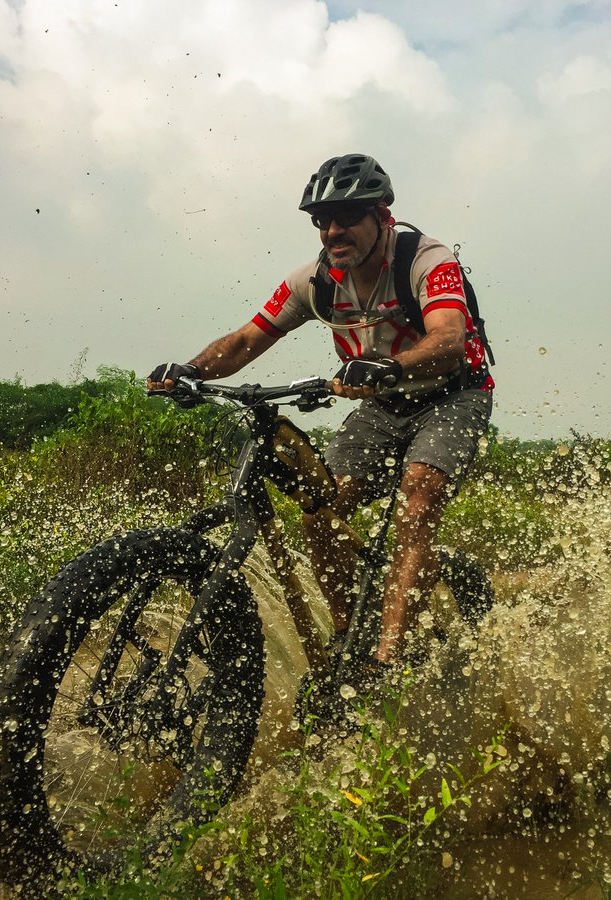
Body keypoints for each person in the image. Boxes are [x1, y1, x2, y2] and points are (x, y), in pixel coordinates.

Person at [148, 153, 493, 686]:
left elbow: (449, 340)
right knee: (320, 510)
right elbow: (246, 340)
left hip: (453, 395)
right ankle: (347, 643)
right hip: (382, 407)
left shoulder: (428, 261)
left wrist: (384, 366)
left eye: (347, 216)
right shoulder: (316, 281)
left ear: (383, 216)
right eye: (321, 219)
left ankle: (387, 659)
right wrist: (190, 370)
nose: (333, 231)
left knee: (417, 496)